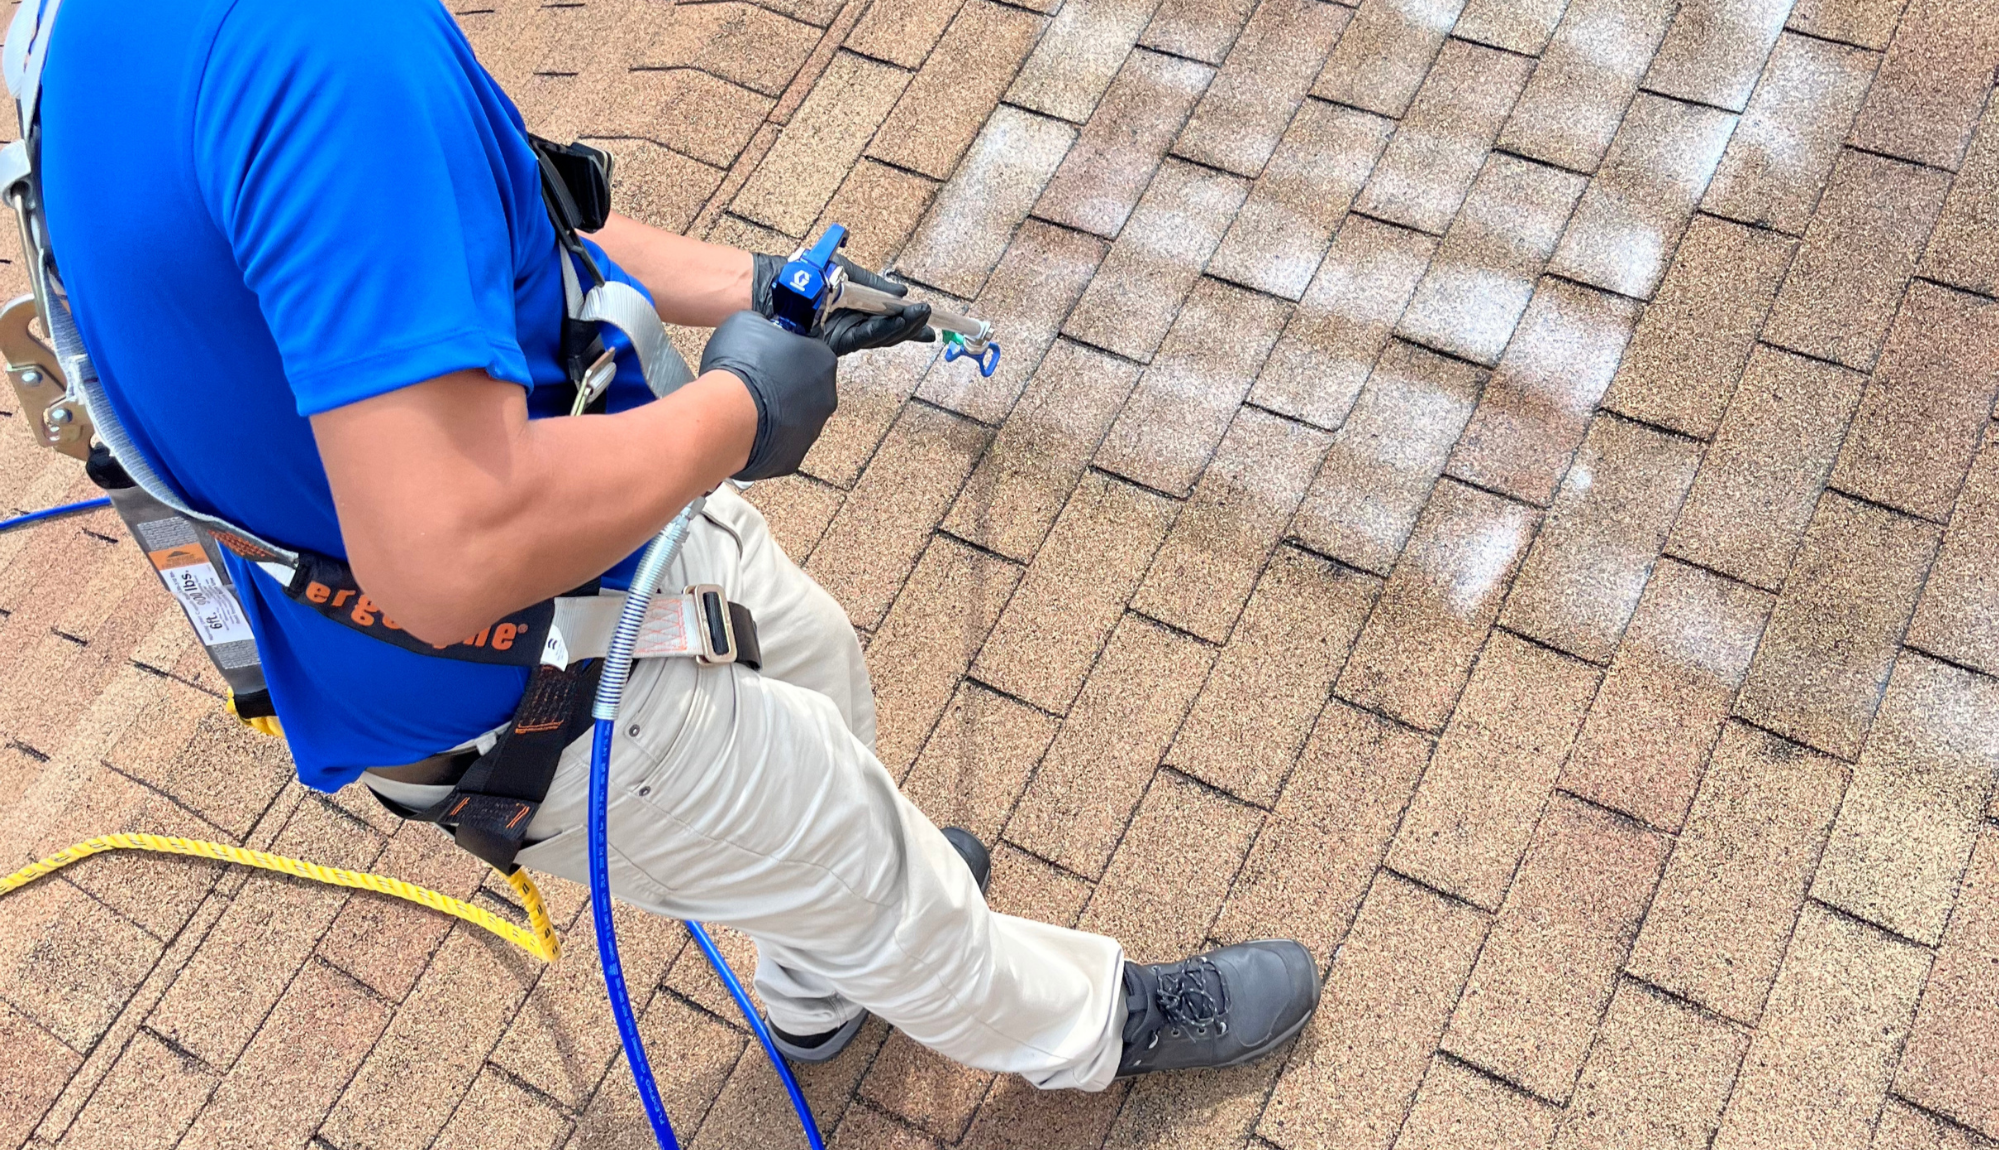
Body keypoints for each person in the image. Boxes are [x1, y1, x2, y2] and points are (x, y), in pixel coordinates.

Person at [32, 0, 1321, 1093]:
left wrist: (756, 288)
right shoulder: (320, 58)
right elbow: (449, 551)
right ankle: (1091, 1028)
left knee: (813, 659)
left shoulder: (116, 30)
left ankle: (823, 978)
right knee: (891, 890)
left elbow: (510, 239)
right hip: (534, 682)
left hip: (594, 547)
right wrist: (741, 409)